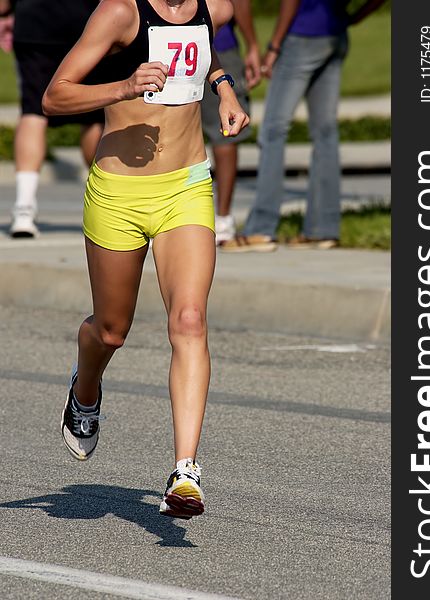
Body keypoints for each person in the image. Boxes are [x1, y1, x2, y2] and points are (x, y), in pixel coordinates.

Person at [42, 0, 249, 519]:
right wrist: (125, 86)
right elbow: (55, 96)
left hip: (187, 186)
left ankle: (185, 472)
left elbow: (205, 51)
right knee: (111, 330)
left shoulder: (213, 6)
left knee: (190, 319)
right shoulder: (119, 13)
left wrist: (224, 89)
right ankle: (85, 389)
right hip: (119, 193)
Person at [221, 0, 386, 252]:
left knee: (273, 130)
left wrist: (274, 45)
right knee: (325, 132)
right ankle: (323, 229)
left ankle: (261, 228)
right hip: (335, 35)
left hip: (302, 35)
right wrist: (356, 16)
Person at [0, 0, 104, 238]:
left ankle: (23, 207)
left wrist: (4, 11)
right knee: (95, 116)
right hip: (88, 20)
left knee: (33, 112)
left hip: (36, 19)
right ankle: (107, 201)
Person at [200, 0, 260, 245]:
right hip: (217, 44)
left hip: (164, 42)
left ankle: (221, 219)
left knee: (168, 131)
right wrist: (253, 45)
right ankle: (223, 219)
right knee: (225, 131)